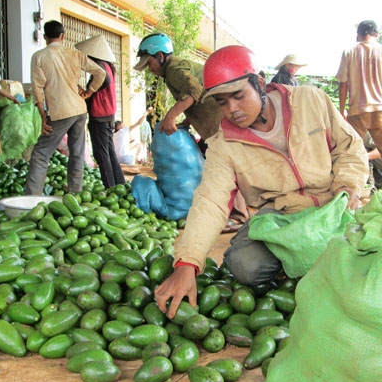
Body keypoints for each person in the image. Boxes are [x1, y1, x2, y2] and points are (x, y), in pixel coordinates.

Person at [154, 45, 369, 318]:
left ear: (260, 82)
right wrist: (187, 263)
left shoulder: (311, 101)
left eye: (238, 96)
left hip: (332, 204)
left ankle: (312, 262)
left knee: (364, 253)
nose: (232, 109)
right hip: (281, 216)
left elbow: (349, 147)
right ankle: (294, 267)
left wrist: (348, 186)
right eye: (222, 101)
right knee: (244, 265)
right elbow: (210, 201)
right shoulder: (223, 145)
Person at [134, 33, 249, 230]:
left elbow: (194, 91)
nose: (150, 69)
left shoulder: (175, 69)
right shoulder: (172, 70)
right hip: (212, 124)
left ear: (160, 56)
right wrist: (186, 121)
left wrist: (171, 116)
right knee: (214, 167)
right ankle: (225, 210)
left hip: (218, 124)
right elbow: (198, 97)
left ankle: (239, 216)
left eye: (150, 62)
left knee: (226, 167)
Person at [25, 20, 106, 195]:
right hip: (79, 109)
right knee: (77, 154)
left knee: (40, 154)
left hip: (60, 111)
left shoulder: (39, 56)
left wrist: (42, 115)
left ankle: (31, 198)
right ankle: (75, 194)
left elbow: (37, 88)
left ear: (45, 37)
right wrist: (89, 92)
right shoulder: (74, 54)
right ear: (63, 36)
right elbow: (101, 72)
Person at [336, 19, 382, 191]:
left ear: (358, 35)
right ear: (376, 35)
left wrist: (342, 111)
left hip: (358, 109)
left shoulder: (349, 51)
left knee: (351, 152)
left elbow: (343, 83)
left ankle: (353, 191)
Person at [75, 35, 124, 188]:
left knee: (102, 155)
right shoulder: (108, 66)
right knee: (109, 152)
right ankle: (120, 186)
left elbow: (105, 81)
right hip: (108, 115)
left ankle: (110, 188)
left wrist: (89, 92)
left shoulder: (100, 68)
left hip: (100, 115)